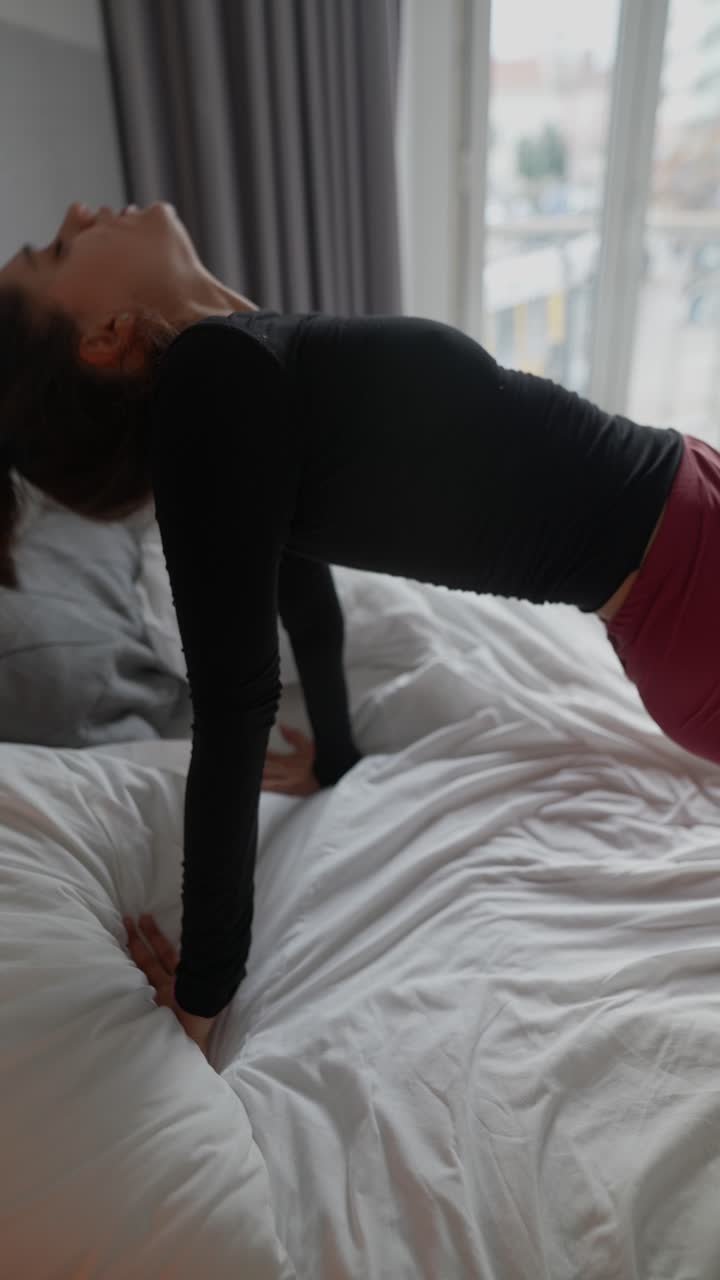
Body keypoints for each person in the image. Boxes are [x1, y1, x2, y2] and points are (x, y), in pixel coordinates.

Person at [0, 201, 716, 1058]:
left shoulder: (242, 362)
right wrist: (203, 997)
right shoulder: (209, 382)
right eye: (56, 248)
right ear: (106, 338)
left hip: (690, 543)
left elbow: (303, 596)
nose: (78, 213)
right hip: (695, 596)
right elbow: (233, 706)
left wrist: (337, 749)